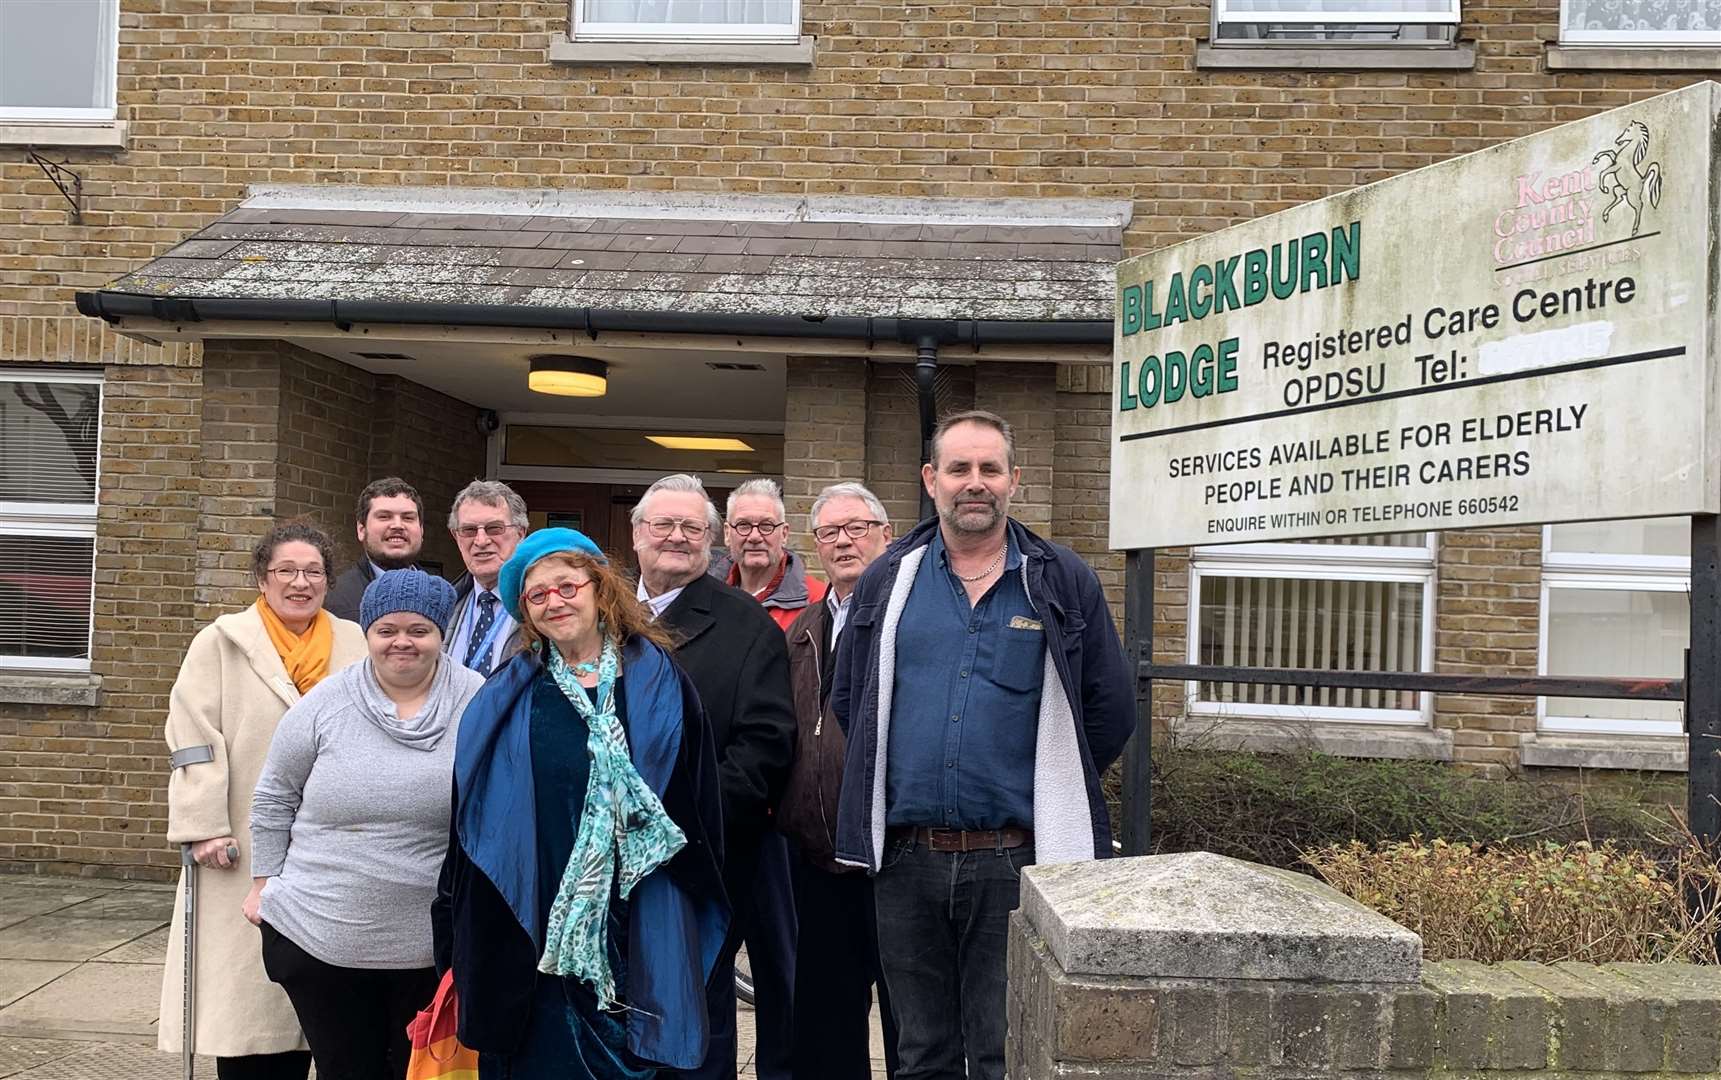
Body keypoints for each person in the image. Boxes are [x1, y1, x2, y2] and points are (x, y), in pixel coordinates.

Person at [831, 411, 1134, 1080]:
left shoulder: (1060, 579)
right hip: (905, 861)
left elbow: (1109, 709)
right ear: (930, 479)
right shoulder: (890, 578)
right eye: (959, 469)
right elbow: (850, 697)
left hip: (1016, 861)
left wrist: (1054, 789)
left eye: (989, 469)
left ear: (1013, 481)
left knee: (1005, 1050)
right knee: (919, 1052)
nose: (975, 483)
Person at [432, 528, 728, 1078]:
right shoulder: (506, 695)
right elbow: (470, 821)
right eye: (537, 595)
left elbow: (697, 801)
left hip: (633, 911)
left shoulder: (660, 681)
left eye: (566, 587)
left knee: (630, 1054)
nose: (555, 602)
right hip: (536, 912)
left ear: (599, 589)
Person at [245, 570, 484, 1080]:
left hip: (431, 945)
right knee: (347, 1070)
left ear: (441, 633)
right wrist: (263, 883)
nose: (402, 641)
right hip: (320, 937)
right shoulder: (324, 705)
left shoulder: (478, 702)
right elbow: (274, 797)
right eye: (387, 629)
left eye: (419, 630)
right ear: (368, 633)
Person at [160, 522, 367, 1080]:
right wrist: (204, 825)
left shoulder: (355, 641)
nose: (301, 583)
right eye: (286, 571)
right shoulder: (221, 641)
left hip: (334, 850)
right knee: (250, 1008)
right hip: (241, 847)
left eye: (314, 572)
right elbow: (193, 739)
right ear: (262, 577)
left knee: (327, 1006)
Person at [630, 475, 796, 1080]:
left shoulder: (745, 624)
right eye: (662, 526)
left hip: (699, 862)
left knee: (695, 1024)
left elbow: (765, 746)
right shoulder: (599, 613)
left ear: (710, 541)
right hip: (603, 865)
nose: (676, 537)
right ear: (636, 535)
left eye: (691, 528)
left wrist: (681, 825)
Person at [779, 483, 897, 1080]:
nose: (844, 540)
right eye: (830, 532)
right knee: (827, 1021)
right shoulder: (803, 628)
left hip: (893, 856)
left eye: (857, 527)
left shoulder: (909, 616)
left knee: (909, 1021)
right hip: (818, 858)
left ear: (886, 533)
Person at [444, 479, 530, 675]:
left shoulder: (542, 606)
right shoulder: (445, 606)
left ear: (521, 532)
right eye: (469, 530)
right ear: (456, 537)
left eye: (494, 528)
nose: (481, 541)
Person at [719, 478, 826, 632]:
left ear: (784, 534)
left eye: (766, 525)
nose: (755, 537)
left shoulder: (818, 602)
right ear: (727, 533)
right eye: (743, 525)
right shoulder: (704, 599)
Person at [325, 477, 425, 621]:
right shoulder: (332, 601)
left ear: (422, 530)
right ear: (361, 530)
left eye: (408, 518)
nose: (397, 525)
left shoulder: (445, 598)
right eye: (384, 517)